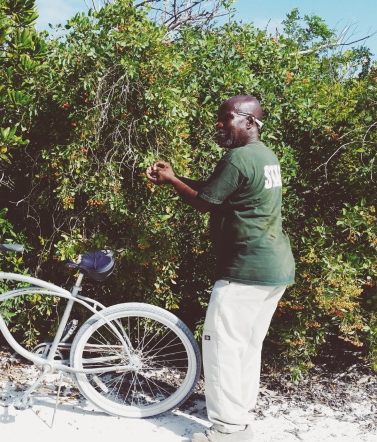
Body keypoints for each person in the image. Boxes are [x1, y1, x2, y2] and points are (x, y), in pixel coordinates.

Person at [146, 95, 295, 442]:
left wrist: (170, 182)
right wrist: (176, 177)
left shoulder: (239, 157)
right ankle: (239, 417)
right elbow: (218, 191)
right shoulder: (265, 155)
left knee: (223, 347)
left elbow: (204, 202)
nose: (219, 124)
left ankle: (228, 431)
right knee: (246, 346)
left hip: (246, 268)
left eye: (225, 118)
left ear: (248, 121)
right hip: (274, 267)